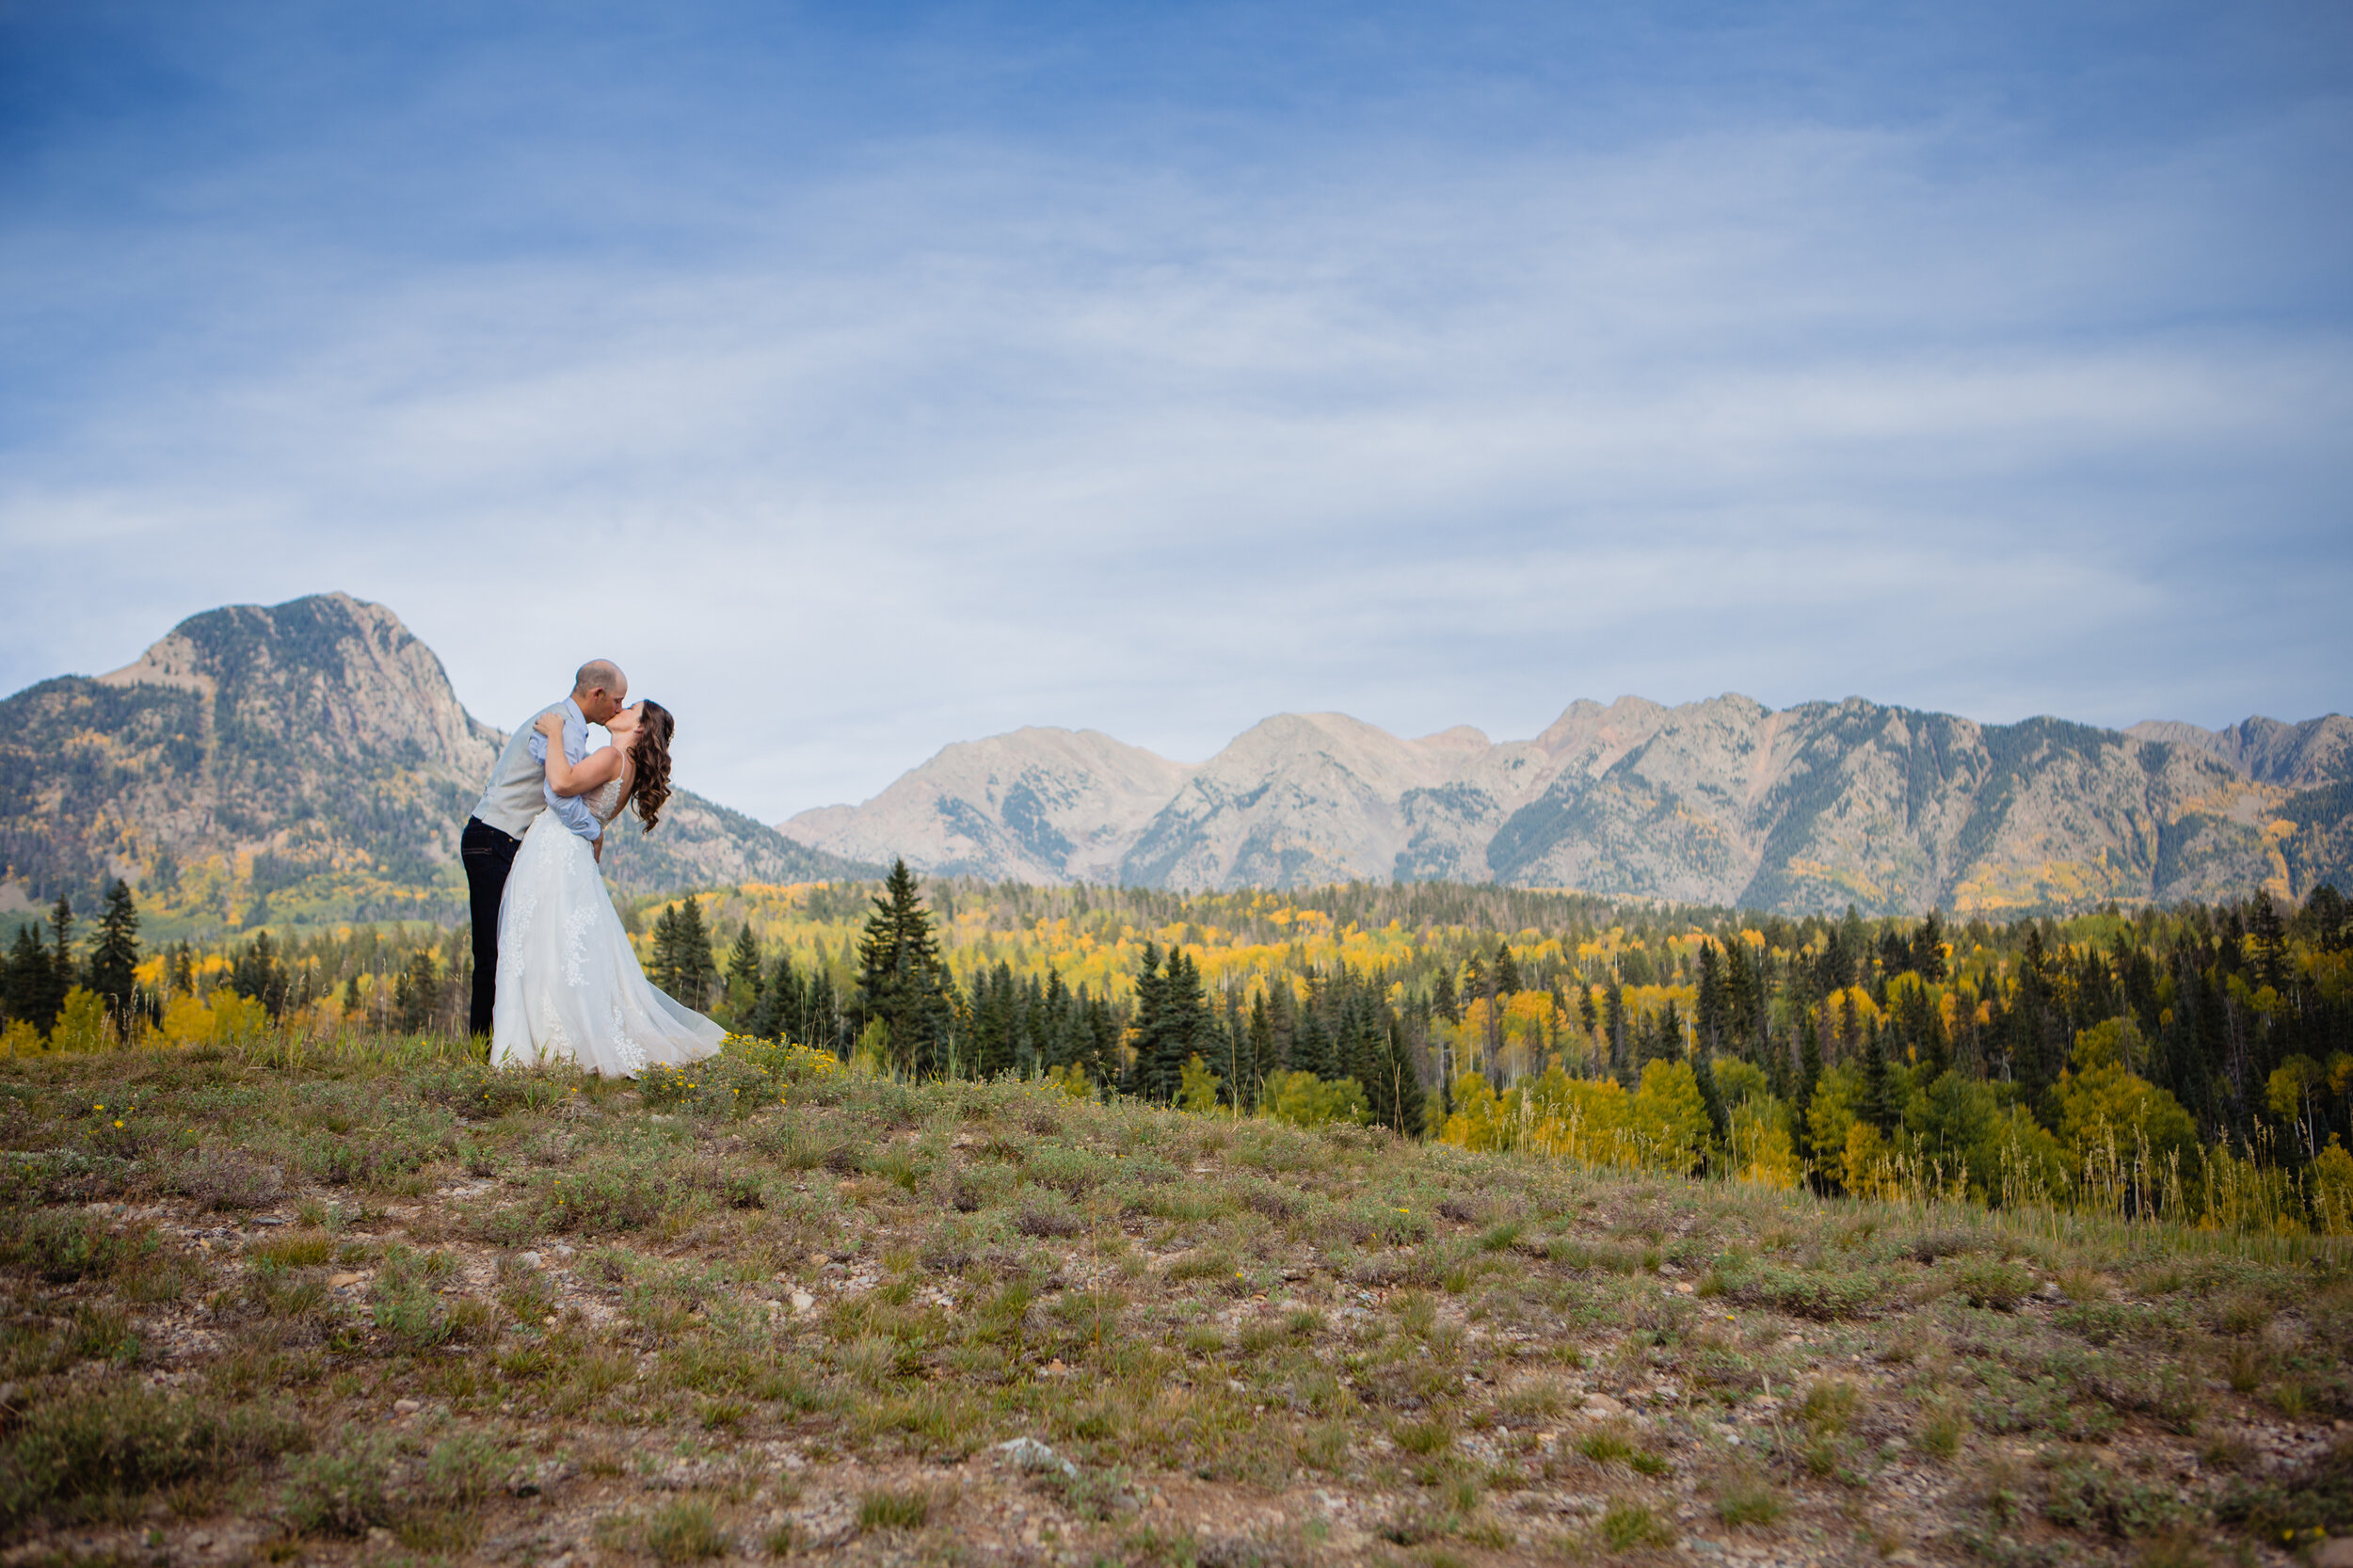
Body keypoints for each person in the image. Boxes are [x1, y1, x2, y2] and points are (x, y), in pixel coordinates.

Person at [488, 696, 723, 1076]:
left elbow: (562, 782)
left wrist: (552, 734)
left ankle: (547, 1043)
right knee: (559, 947)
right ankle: (554, 1038)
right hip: (572, 856)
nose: (621, 710)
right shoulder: (627, 769)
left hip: (556, 852)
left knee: (539, 944)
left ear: (641, 727)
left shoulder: (612, 757)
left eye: (630, 709)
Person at [462, 661, 629, 1038]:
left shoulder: (565, 724)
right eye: (617, 701)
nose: (619, 709)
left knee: (514, 946)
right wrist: (593, 831)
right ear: (597, 694)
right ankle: (483, 1043)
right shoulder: (563, 726)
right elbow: (559, 792)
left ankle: (503, 1039)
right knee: (495, 952)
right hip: (494, 839)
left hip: (501, 840)